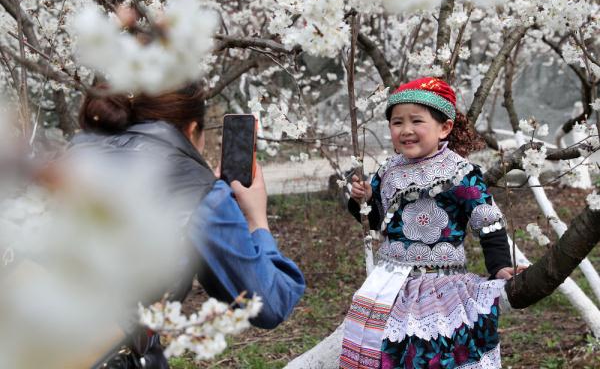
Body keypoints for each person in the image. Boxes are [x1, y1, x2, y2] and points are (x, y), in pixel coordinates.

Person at [71, 83, 306, 367]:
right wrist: (257, 219)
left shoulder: (65, 160)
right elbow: (271, 302)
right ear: (193, 129)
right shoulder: (199, 191)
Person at [340, 77, 525, 369]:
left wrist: (500, 266)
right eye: (397, 123)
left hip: (442, 286)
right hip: (390, 284)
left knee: (437, 351)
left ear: (444, 127)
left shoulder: (460, 172)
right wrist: (361, 200)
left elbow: (488, 224)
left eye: (416, 121)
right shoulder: (388, 170)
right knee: (384, 350)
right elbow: (375, 222)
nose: (406, 130)